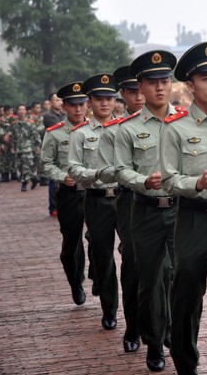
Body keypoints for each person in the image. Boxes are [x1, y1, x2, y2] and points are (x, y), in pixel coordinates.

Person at [160, 41, 207, 375]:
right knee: (187, 298)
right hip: (192, 218)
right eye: (206, 79)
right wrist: (197, 183)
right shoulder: (175, 128)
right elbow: (168, 180)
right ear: (190, 86)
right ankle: (186, 365)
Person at [114, 50, 178, 372]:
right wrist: (143, 181)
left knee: (177, 274)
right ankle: (153, 341)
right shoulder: (127, 128)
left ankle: (172, 331)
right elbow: (121, 170)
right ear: (140, 86)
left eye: (165, 80)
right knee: (149, 279)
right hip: (144, 209)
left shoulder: (187, 122)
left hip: (181, 210)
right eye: (152, 82)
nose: (160, 87)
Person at [97, 64, 145, 354]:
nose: (139, 96)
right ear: (122, 95)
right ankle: (133, 326)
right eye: (132, 91)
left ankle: (163, 324)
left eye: (142, 90)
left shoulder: (176, 123)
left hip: (171, 203)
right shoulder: (115, 131)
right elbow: (106, 169)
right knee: (133, 265)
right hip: (131, 201)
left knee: (170, 269)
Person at [67, 74, 120, 331]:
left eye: (109, 98)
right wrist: (96, 174)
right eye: (99, 99)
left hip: (125, 198)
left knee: (134, 255)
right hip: (97, 200)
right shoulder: (80, 134)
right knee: (103, 256)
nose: (105, 103)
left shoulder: (126, 129)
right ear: (90, 102)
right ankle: (109, 309)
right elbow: (74, 168)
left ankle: (138, 314)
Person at [41, 82, 88, 305]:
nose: (78, 109)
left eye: (81, 104)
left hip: (96, 194)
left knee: (99, 240)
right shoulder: (55, 133)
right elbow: (46, 164)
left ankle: (100, 275)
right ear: (64, 107)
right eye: (73, 105)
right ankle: (76, 282)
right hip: (70, 194)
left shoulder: (99, 130)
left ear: (87, 105)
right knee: (71, 245)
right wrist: (62, 176)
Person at [10, 104, 41, 191]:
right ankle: (34, 179)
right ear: (17, 111)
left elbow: (36, 136)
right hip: (18, 149)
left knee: (26, 167)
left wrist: (37, 147)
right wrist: (12, 146)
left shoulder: (30, 123)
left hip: (28, 149)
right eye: (20, 109)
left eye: (23, 109)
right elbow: (13, 137)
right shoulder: (15, 124)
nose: (22, 111)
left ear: (26, 111)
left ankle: (24, 184)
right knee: (20, 167)